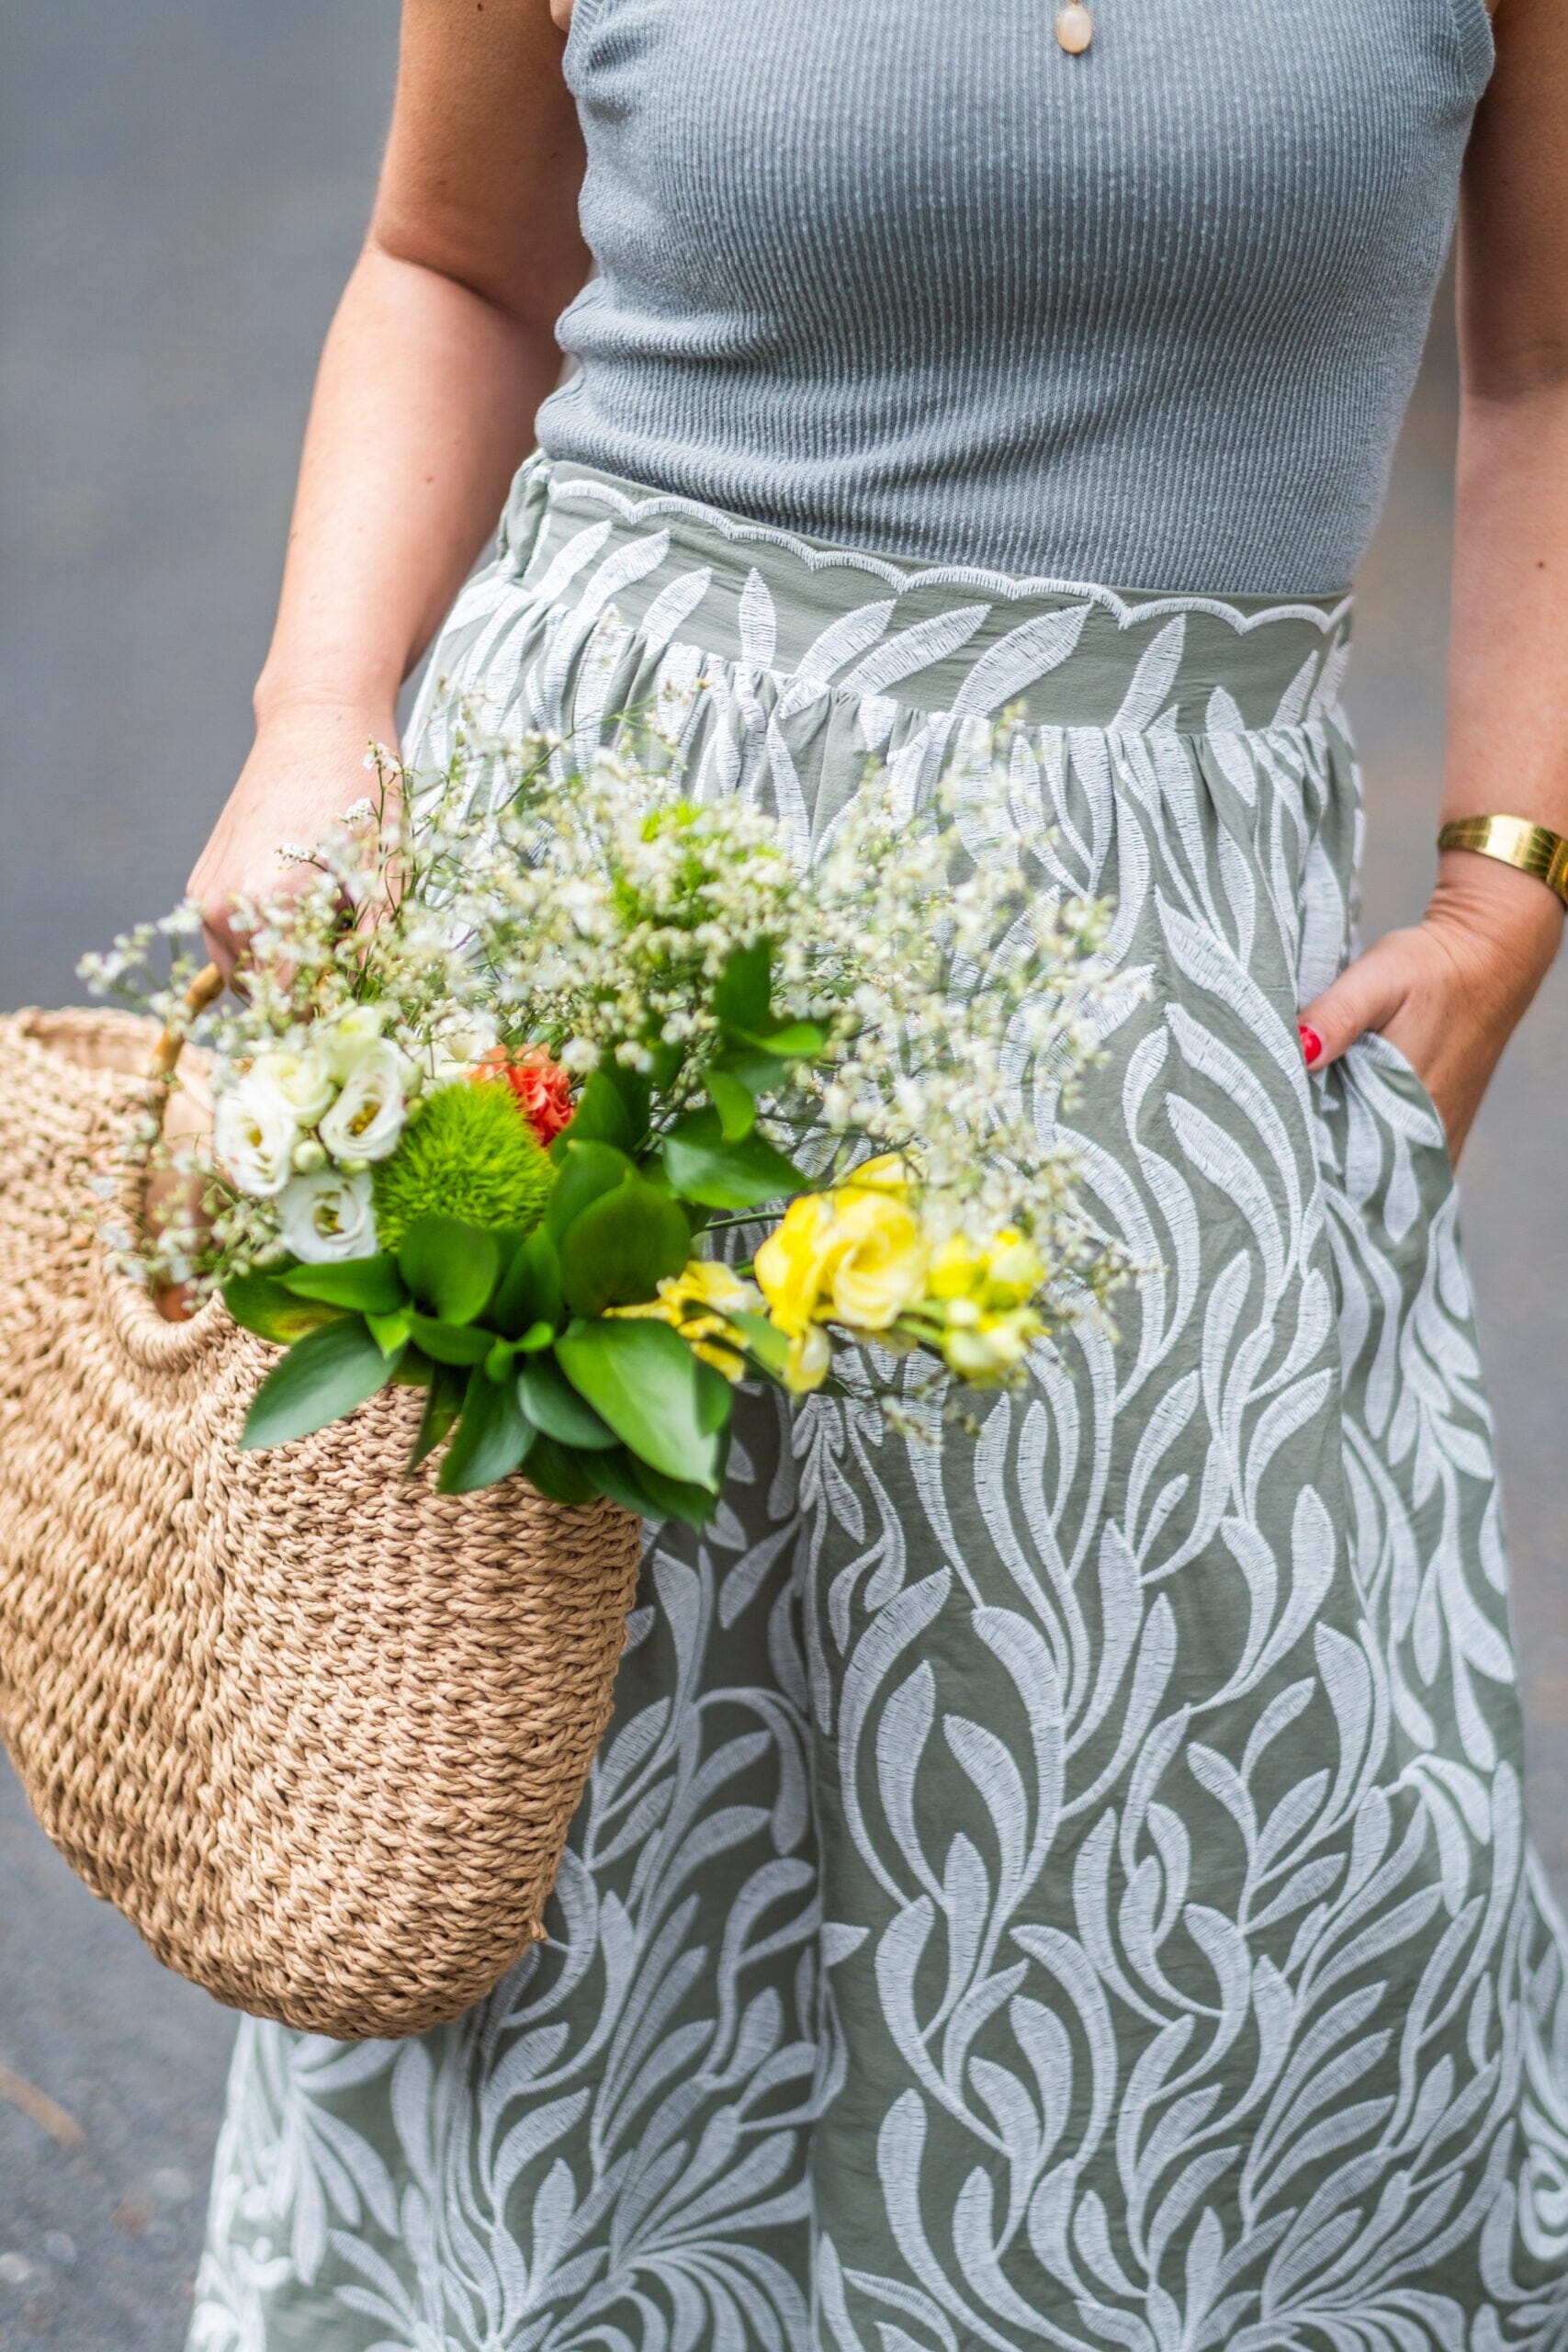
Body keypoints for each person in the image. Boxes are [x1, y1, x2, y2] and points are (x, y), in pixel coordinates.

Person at [184, 2, 1568, 2344]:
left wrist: (1507, 877)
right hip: (610, 973)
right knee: (584, 1901)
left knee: (1204, 1879)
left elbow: (1541, 362)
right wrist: (321, 706)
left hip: (1162, 986)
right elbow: (450, 265)